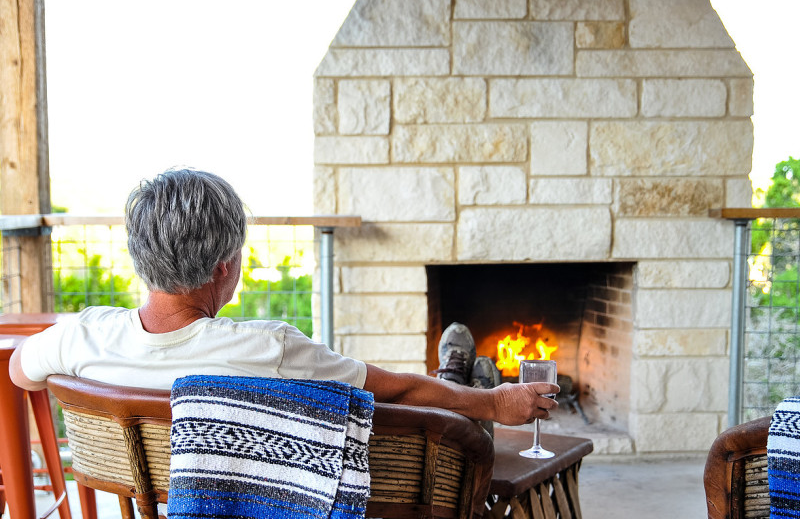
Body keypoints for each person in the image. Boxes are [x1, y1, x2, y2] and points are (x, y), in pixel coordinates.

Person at [9, 167, 557, 427]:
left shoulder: (82, 336)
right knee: (451, 399)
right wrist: (494, 404)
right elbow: (402, 391)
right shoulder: (270, 350)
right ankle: (461, 376)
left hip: (148, 501)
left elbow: (21, 374)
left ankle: (457, 370)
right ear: (225, 268)